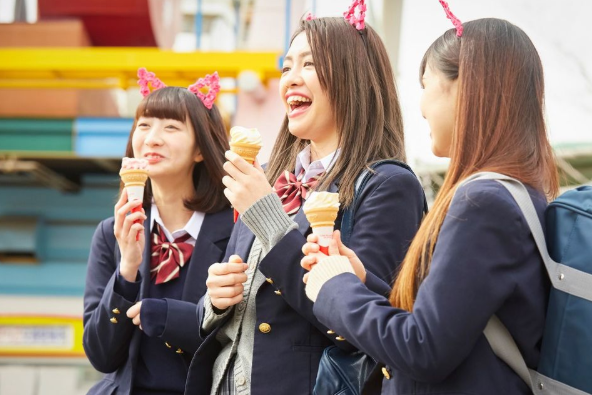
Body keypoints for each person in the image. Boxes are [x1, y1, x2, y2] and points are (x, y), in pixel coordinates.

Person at [301, 17, 560, 394]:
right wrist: (361, 280)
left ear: (466, 88)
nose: (420, 106)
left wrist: (336, 287)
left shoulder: (483, 203)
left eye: (425, 86)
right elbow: (446, 325)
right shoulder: (514, 194)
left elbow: (423, 349)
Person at [185, 14, 426, 395]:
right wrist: (214, 301)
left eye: (310, 64)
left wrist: (267, 218)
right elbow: (243, 309)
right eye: (286, 67)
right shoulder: (269, 177)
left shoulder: (389, 185)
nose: (291, 78)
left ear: (353, 76)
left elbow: (369, 326)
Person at [83, 71, 234, 395]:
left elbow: (244, 342)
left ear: (200, 149)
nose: (152, 138)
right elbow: (101, 356)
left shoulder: (237, 229)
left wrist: (170, 318)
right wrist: (127, 269)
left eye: (171, 127)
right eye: (144, 125)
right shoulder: (111, 233)